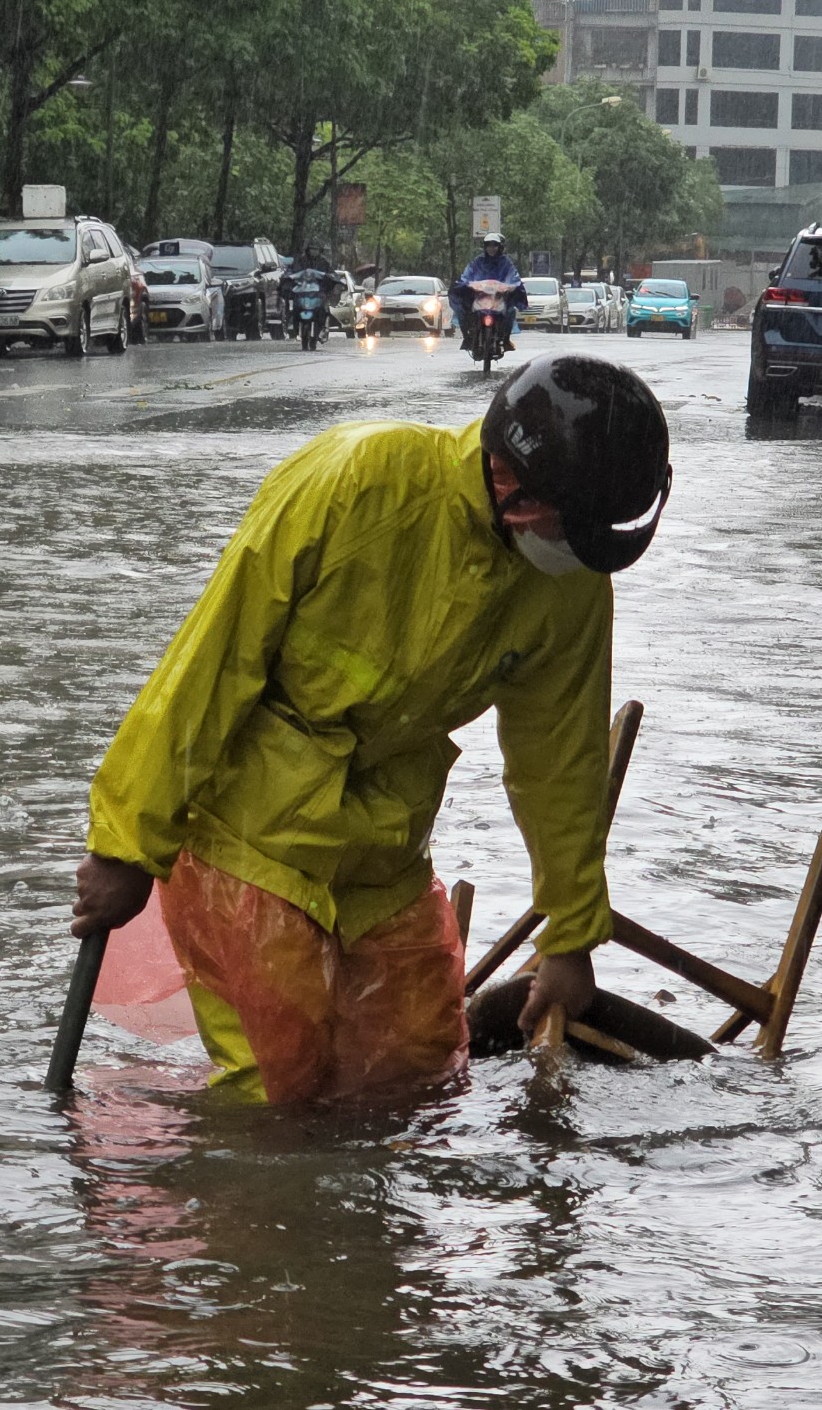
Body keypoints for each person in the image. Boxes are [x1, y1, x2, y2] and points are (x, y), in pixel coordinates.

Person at [70, 355, 674, 1104]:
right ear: (514, 491)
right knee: (277, 1093)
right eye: (573, 532)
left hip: (382, 855)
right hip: (245, 841)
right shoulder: (355, 483)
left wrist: (572, 936)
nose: (580, 557)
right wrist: (126, 845)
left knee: (417, 1076)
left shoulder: (568, 583)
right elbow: (209, 663)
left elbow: (561, 762)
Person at [453, 232, 527, 351]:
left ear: (499, 247)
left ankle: (506, 339)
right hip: (479, 297)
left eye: (494, 245)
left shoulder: (506, 262)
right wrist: (467, 283)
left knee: (511, 312)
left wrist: (512, 285)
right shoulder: (478, 261)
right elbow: (467, 274)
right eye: (489, 245)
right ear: (485, 247)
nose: (491, 248)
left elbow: (513, 276)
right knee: (463, 311)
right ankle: (467, 338)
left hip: (498, 297)